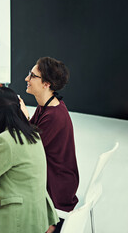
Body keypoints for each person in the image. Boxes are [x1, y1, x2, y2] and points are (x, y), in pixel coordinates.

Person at [0, 87, 58, 233]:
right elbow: (19, 163)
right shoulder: (32, 132)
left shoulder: (4, 140)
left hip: (18, 221)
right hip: (37, 215)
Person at [20, 57, 79, 233]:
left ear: (46, 84)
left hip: (55, 188)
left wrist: (22, 117)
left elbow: (29, 151)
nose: (26, 79)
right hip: (53, 178)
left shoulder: (54, 116)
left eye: (32, 76)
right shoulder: (45, 105)